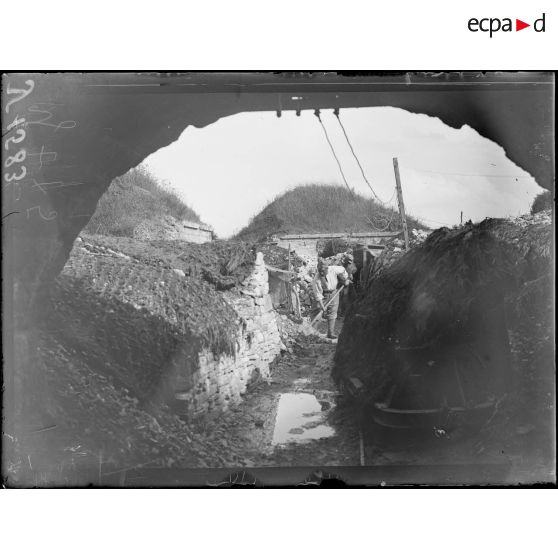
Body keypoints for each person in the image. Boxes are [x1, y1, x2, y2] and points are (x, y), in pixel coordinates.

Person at [312, 258, 350, 339]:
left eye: (323, 271)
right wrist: (322, 306)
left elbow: (343, 270)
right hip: (324, 294)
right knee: (318, 311)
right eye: (320, 272)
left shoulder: (333, 269)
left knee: (332, 313)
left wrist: (345, 279)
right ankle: (313, 334)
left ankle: (330, 333)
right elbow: (318, 295)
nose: (322, 273)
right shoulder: (316, 279)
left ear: (327, 268)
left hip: (334, 293)